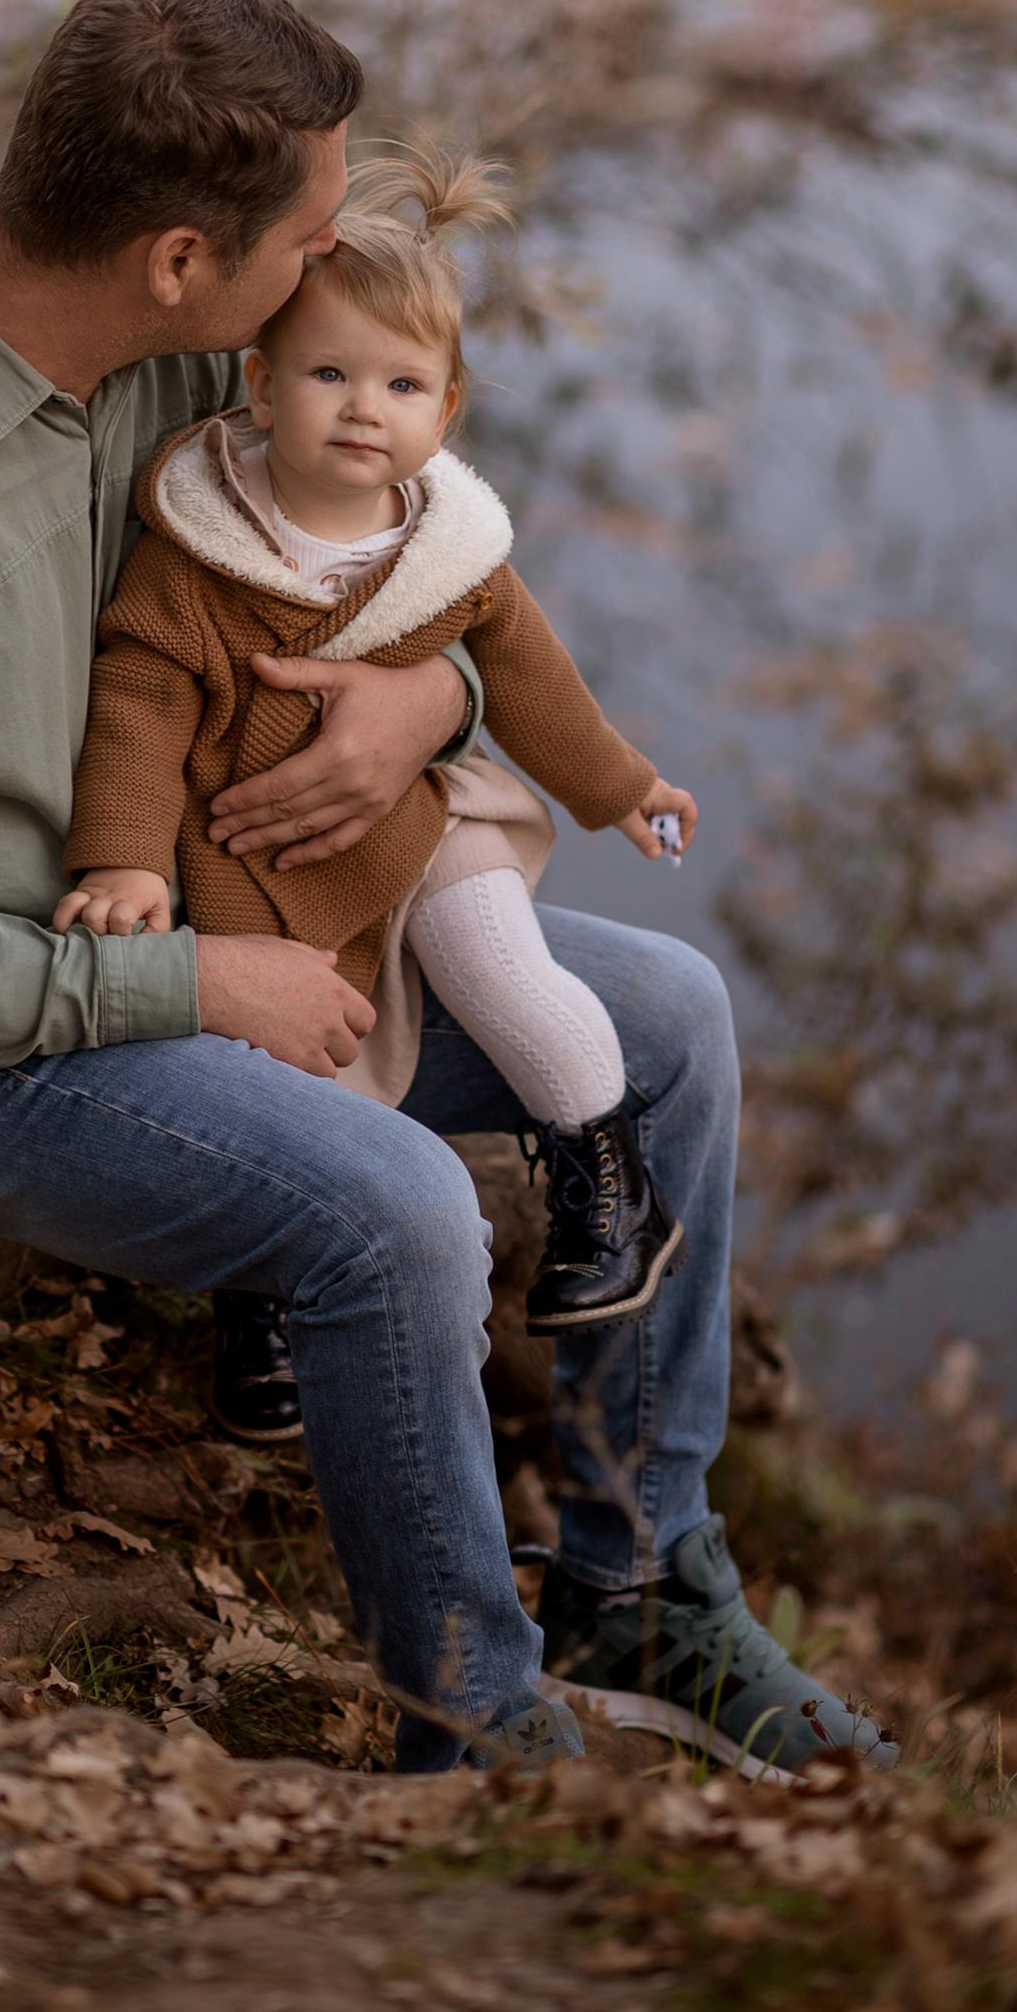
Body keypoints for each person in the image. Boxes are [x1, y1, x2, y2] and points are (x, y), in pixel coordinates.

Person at [0, 0, 895, 1780]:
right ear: (176, 259)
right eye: (304, 238)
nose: (329, 270)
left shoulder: (146, 352)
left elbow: (384, 555)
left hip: (224, 909)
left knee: (676, 1021)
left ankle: (640, 1585)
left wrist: (427, 702)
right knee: (394, 1208)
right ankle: (471, 1726)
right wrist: (196, 988)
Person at [56, 142, 692, 1450]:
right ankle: (267, 1304)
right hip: (255, 858)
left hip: (432, 827)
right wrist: (121, 858)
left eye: (401, 385)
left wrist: (617, 786)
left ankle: (607, 1186)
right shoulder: (200, 550)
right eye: (330, 374)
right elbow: (137, 701)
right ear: (259, 382)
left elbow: (528, 679)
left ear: (446, 413)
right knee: (291, 1079)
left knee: (514, 983)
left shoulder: (442, 548)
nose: (363, 409)